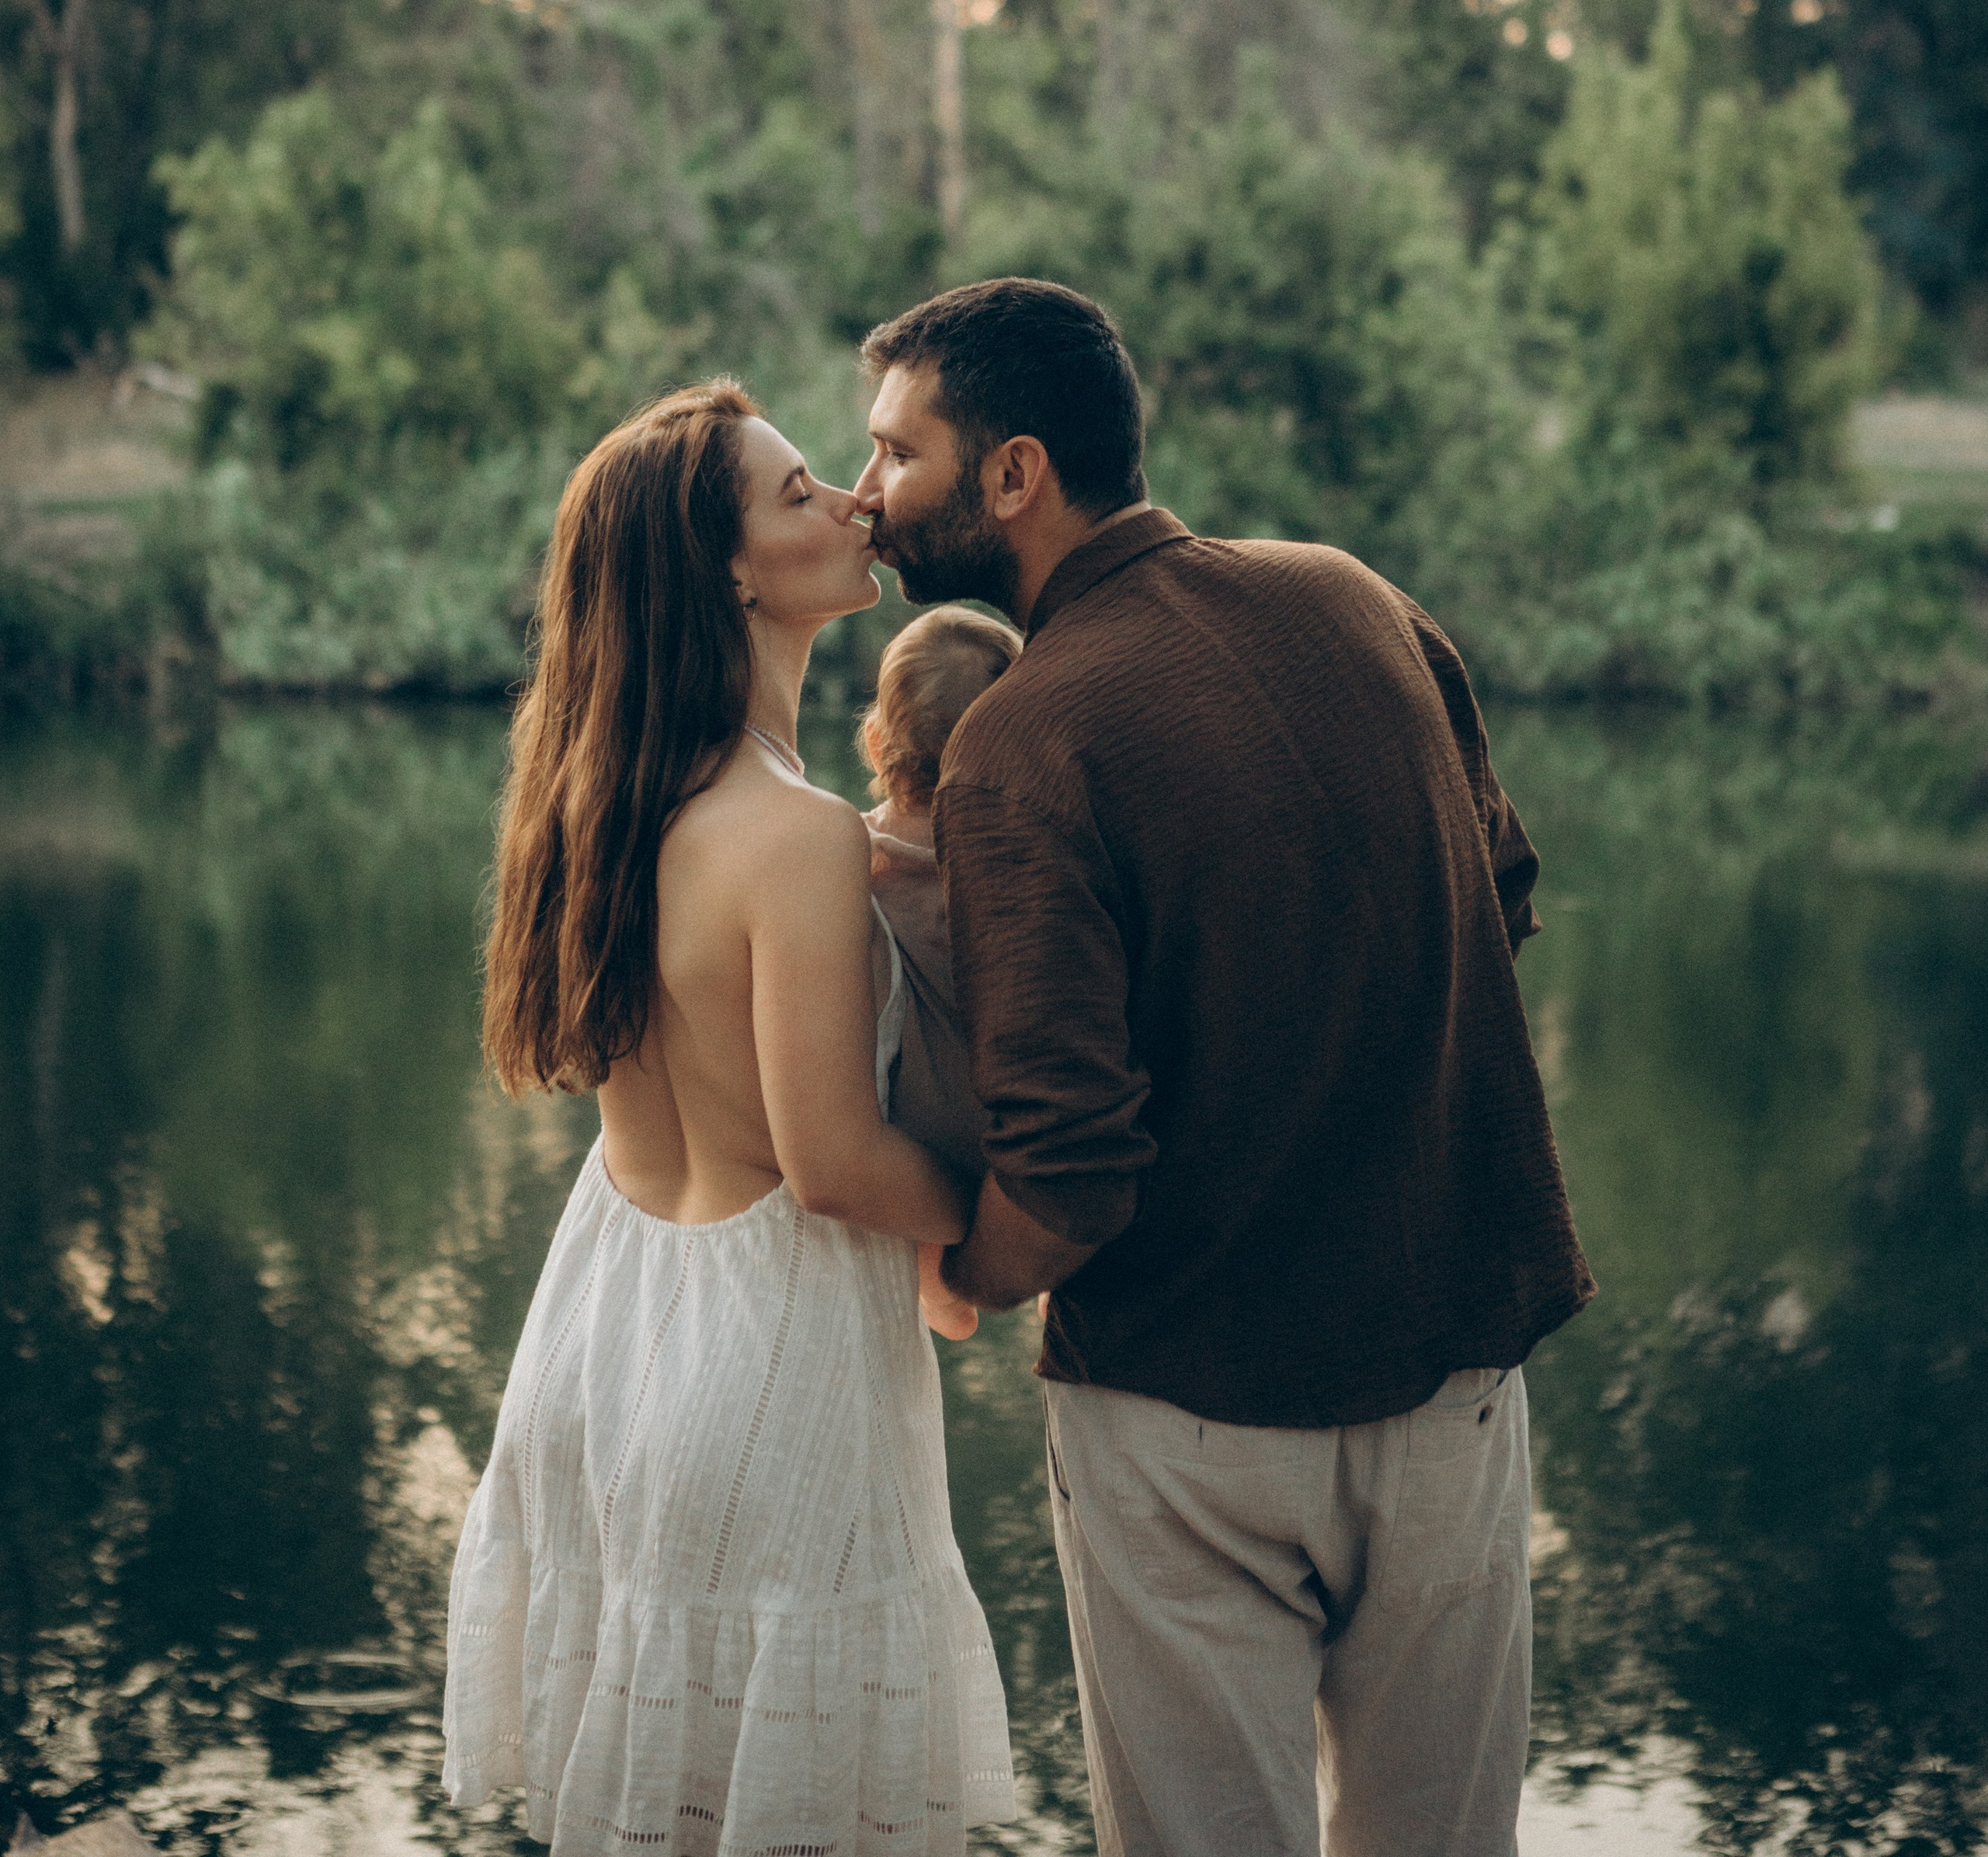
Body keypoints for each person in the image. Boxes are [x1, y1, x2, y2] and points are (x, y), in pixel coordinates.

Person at [851, 280, 1594, 1857]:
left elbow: (1063, 1177)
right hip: (1455, 1375)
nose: (867, 493)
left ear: (1011, 474)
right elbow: (1499, 892)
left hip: (1187, 1423)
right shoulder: (1355, 598)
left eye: (894, 453)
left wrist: (959, 1273)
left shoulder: (1022, 738)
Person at [443, 382, 1016, 1857]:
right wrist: (1017, 1213)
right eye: (801, 493)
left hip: (612, 1342)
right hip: (771, 1372)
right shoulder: (797, 835)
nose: (850, 506)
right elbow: (830, 1167)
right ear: (731, 573)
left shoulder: (600, 803)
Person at [860, 604, 1024, 1188]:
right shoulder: (1025, 866)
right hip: (1006, 1144)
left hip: (906, 1145)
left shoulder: (851, 858)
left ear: (877, 745)